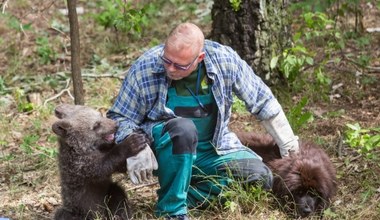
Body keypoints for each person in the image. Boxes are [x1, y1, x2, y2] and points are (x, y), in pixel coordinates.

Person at [107, 22, 299, 220]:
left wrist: (287, 142)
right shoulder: (146, 66)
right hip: (165, 151)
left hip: (212, 150)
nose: (171, 68)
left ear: (200, 58)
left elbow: (262, 99)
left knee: (260, 178)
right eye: (167, 60)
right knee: (184, 128)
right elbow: (120, 116)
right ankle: (172, 212)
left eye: (180, 65)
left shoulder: (224, 60)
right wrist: (135, 144)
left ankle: (187, 195)